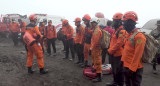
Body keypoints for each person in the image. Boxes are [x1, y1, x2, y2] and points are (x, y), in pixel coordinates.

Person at [121, 11, 146, 86]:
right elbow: (127, 50)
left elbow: (138, 54)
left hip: (134, 69)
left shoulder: (139, 36)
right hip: (126, 66)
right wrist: (123, 62)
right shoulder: (129, 34)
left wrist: (132, 69)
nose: (123, 24)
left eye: (124, 22)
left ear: (129, 22)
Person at [106, 12, 127, 86]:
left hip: (118, 54)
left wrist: (110, 51)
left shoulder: (122, 31)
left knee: (119, 70)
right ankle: (115, 82)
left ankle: (120, 84)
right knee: (114, 69)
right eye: (113, 20)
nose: (113, 22)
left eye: (115, 20)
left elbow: (119, 43)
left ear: (119, 22)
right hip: (113, 53)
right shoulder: (116, 30)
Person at [90, 17, 102, 82]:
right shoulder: (96, 30)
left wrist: (91, 48)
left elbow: (96, 41)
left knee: (98, 62)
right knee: (95, 62)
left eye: (92, 23)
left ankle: (99, 77)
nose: (91, 24)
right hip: (95, 49)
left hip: (96, 49)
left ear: (95, 23)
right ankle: (97, 74)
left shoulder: (97, 31)